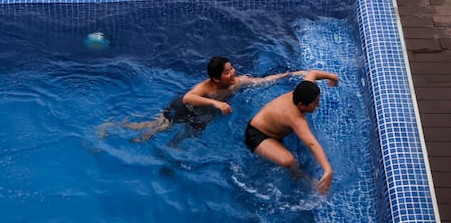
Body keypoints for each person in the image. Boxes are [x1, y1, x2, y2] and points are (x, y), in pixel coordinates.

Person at [110, 57, 332, 140]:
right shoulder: (204, 87)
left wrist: (291, 74)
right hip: (184, 107)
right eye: (227, 72)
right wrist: (216, 102)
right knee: (154, 127)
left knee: (187, 137)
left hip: (203, 116)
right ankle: (113, 127)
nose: (233, 73)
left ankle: (168, 155)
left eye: (232, 68)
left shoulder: (238, 82)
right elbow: (188, 98)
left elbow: (263, 81)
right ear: (215, 79)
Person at [244, 75, 341, 195]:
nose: (318, 105)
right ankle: (304, 181)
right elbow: (312, 144)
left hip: (272, 128)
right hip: (257, 135)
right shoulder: (295, 118)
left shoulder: (303, 90)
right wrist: (328, 169)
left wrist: (333, 77)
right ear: (301, 105)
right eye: (315, 103)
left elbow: (312, 73)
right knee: (289, 161)